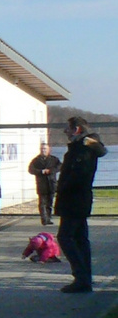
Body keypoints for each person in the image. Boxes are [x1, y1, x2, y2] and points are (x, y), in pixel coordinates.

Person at [56, 116, 106, 293]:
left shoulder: (83, 149)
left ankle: (82, 277)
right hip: (78, 199)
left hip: (74, 199)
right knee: (80, 239)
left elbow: (79, 175)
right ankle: (84, 279)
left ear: (76, 129)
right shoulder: (84, 147)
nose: (65, 132)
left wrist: (62, 187)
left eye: (68, 128)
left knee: (66, 237)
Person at [28, 142, 61, 227]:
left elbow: (60, 166)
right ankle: (44, 219)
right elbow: (31, 170)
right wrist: (41, 171)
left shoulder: (54, 159)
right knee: (42, 202)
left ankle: (49, 218)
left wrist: (51, 171)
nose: (43, 150)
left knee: (50, 202)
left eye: (45, 149)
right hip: (41, 184)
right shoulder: (36, 160)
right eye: (42, 149)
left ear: (48, 149)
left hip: (51, 183)